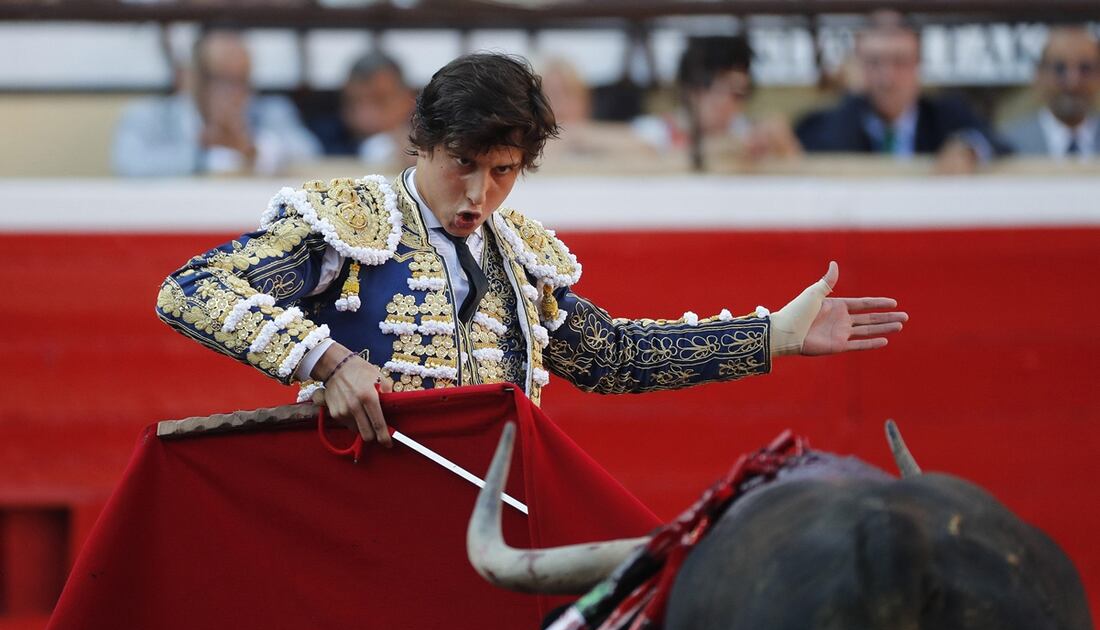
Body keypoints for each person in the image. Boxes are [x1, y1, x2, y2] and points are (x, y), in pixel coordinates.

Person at [157, 53, 907, 447]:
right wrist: (328, 360)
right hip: (360, 503)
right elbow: (190, 289)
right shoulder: (352, 220)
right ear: (422, 143)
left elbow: (613, 359)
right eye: (463, 164)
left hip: (490, 518)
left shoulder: (519, 260)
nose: (479, 194)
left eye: (504, 172)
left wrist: (774, 334)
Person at [795, 11, 1008, 173]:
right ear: (858, 64)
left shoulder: (947, 115)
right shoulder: (824, 124)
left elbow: (1000, 144)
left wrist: (969, 149)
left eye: (900, 62)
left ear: (918, 65)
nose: (887, 78)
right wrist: (853, 96)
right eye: (874, 62)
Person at [112, 29, 320, 177]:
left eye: (241, 80)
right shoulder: (150, 116)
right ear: (192, 79)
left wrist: (251, 149)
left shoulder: (271, 111)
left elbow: (309, 155)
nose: (233, 92)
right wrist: (203, 155)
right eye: (221, 79)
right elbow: (129, 165)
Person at [633, 35, 801, 170]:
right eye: (722, 88)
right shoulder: (654, 132)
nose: (729, 103)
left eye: (740, 93)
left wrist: (783, 145)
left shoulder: (747, 132)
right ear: (692, 90)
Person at [1002, 26, 1099, 160]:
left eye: (1085, 69)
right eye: (1060, 68)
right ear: (1039, 75)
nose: (1073, 82)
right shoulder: (1009, 144)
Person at [310, 51, 417, 164]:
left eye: (380, 101)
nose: (365, 116)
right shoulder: (323, 138)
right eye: (353, 103)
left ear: (408, 100)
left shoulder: (426, 141)